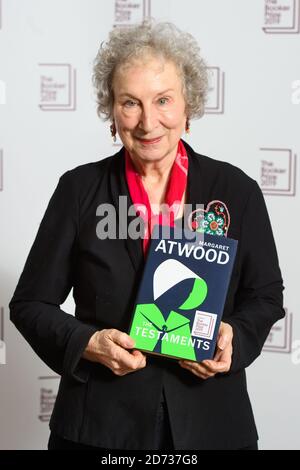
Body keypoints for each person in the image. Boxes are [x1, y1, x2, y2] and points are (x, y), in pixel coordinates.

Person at [9, 19, 284, 451]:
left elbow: (266, 294)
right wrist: (87, 342)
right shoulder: (79, 190)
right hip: (99, 428)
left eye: (163, 100)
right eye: (130, 103)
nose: (148, 121)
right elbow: (29, 304)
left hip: (212, 425)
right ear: (111, 111)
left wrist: (236, 335)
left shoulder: (236, 190)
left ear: (188, 103)